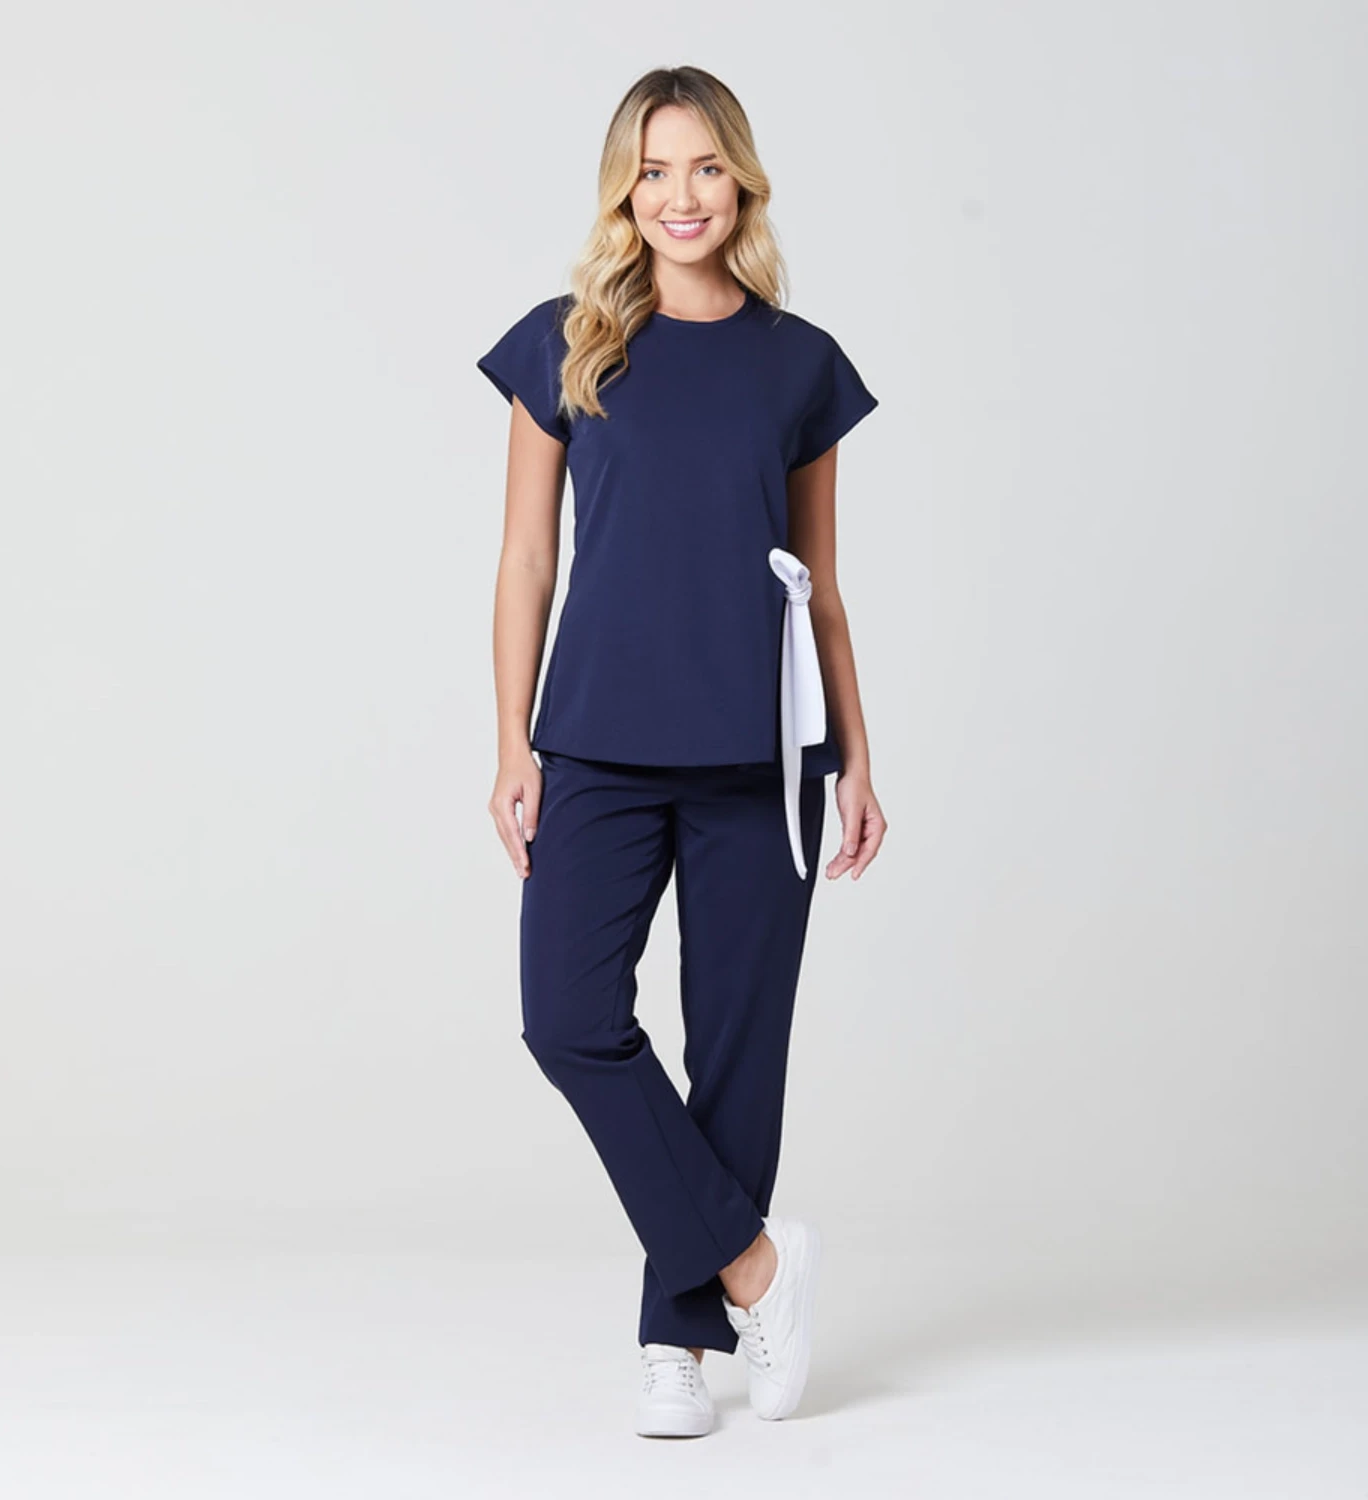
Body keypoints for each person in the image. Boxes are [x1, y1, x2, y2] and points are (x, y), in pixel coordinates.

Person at [476, 64, 888, 1438]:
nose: (680, 196)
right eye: (653, 171)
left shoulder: (798, 363)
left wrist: (858, 756)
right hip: (596, 741)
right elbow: (525, 560)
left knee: (738, 1053)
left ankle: (678, 1341)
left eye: (705, 166)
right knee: (568, 1017)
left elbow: (822, 587)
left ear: (742, 181)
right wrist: (511, 738)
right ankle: (755, 1269)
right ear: (623, 192)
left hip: (763, 752)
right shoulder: (567, 344)